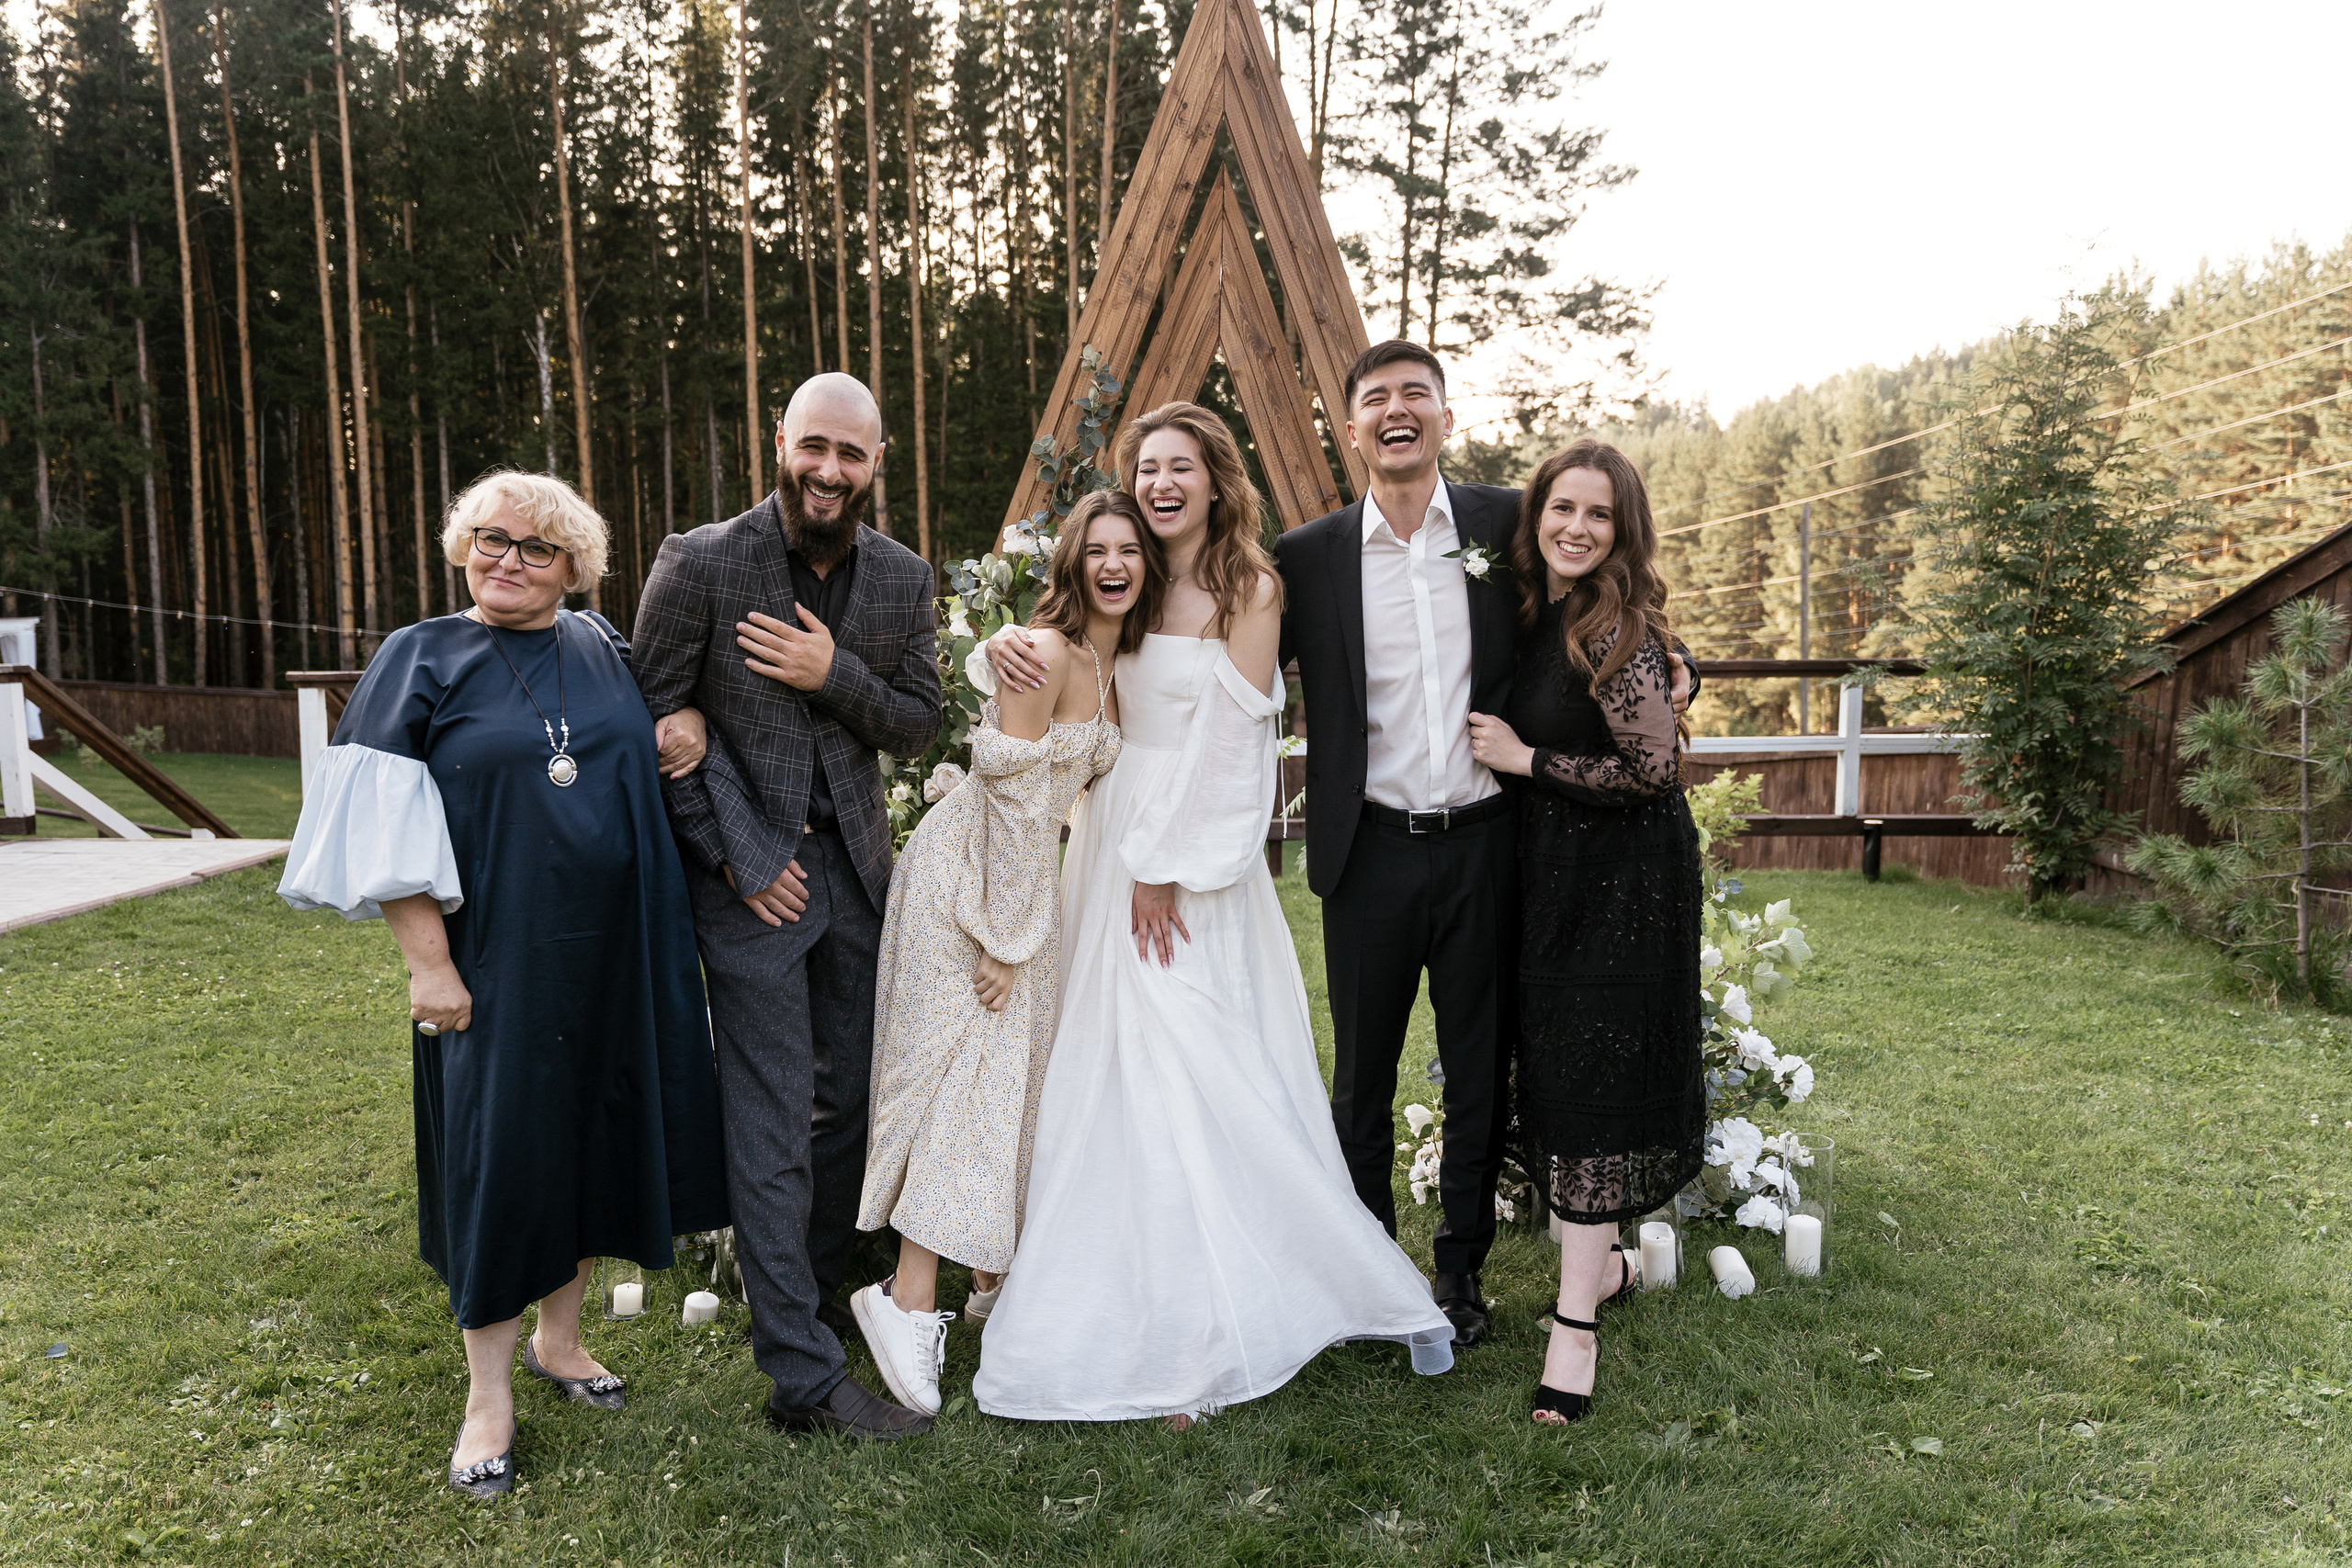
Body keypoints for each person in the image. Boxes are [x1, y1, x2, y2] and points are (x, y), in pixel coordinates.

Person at [974, 401, 1455, 1424]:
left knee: (1191, 1062)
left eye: (1177, 467)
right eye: (1145, 467)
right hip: (1106, 842)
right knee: (1104, 1065)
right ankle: (1122, 1289)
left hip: (1189, 857)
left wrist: (1165, 864)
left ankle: (1208, 1320)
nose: (1158, 484)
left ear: (1214, 478)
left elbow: (1238, 748)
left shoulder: (1250, 586)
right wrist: (1015, 659)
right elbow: (1068, 666)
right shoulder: (1124, 581)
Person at [277, 470, 729, 1498]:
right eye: (490, 540)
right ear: (461, 545)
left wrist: (689, 718)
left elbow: (662, 719)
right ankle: (488, 1393)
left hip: (614, 952)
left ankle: (560, 1344)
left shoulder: (602, 646)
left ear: (575, 565)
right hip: (493, 962)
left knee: (589, 1140)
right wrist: (427, 963)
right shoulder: (419, 657)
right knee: (500, 1157)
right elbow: (375, 823)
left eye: (533, 548)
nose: (506, 561)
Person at [1263, 341, 1693, 1348]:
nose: (1397, 409)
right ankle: (1369, 1268)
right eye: (1375, 398)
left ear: (1446, 421)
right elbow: (1220, 650)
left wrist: (1679, 667)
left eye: (1418, 393)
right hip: (1365, 851)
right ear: (1352, 426)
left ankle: (1459, 1276)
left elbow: (1614, 598)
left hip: (1489, 847)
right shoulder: (1309, 555)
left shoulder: (1510, 523)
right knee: (1360, 1083)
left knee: (1476, 1072)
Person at [629, 372, 943, 1441]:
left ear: (876, 463)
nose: (828, 471)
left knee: (850, 1108)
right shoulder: (704, 560)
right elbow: (653, 720)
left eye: (851, 455)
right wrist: (734, 857)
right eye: (814, 447)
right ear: (780, 442)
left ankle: (799, 1300)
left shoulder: (903, 580)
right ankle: (803, 1381)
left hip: (860, 880)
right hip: (746, 887)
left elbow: (917, 723)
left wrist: (831, 672)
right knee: (771, 1126)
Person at [850, 490, 1158, 1416]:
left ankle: (993, 1279)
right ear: (1069, 561)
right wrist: (1007, 937)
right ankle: (905, 1299)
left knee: (1014, 1075)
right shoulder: (1047, 652)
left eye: (1129, 551)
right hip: (972, 880)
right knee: (962, 1076)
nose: (1111, 564)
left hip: (1024, 888)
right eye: (1094, 549)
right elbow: (1018, 798)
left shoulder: (1114, 661)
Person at [1464, 439, 1704, 1424]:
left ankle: (1574, 1331)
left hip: (1622, 889)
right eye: (1561, 507)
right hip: (1549, 884)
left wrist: (1525, 760)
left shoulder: (1620, 630)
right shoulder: (1539, 609)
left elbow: (1653, 771)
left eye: (1597, 515)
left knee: (1592, 1089)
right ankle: (1601, 1265)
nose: (1575, 527)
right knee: (1562, 1076)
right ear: (1536, 516)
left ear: (1622, 530)